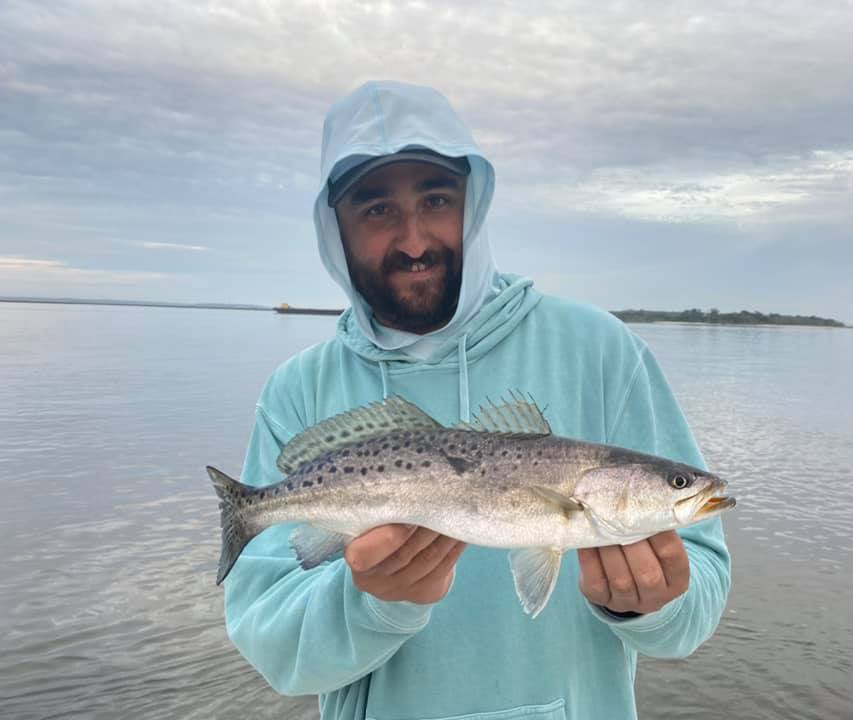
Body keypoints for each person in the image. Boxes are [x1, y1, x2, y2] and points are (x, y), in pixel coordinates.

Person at [224, 80, 731, 720]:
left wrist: (654, 604)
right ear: (336, 230)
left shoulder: (603, 349)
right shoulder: (297, 389)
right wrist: (374, 602)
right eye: (376, 209)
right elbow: (276, 654)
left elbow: (699, 602)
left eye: (436, 199)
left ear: (475, 204)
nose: (412, 242)